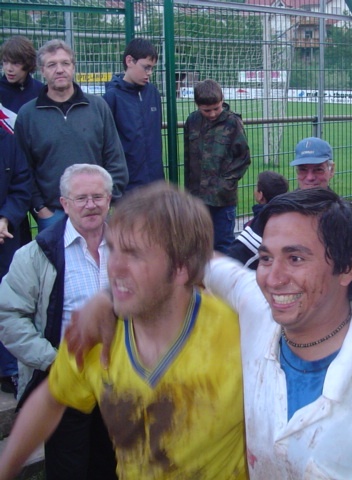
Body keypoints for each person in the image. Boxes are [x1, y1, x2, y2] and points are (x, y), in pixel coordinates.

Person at [65, 188, 352, 479]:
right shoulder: (257, 314)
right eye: (266, 258)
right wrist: (107, 299)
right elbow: (201, 263)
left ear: (347, 267)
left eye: (296, 258)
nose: (273, 277)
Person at [0, 182, 248, 480]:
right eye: (112, 249)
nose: (114, 267)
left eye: (134, 254)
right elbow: (51, 399)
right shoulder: (97, 334)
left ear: (181, 267)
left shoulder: (237, 333)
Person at [0, 164, 116, 479]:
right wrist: (53, 361)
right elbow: (8, 315)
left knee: (113, 465)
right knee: (68, 468)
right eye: (81, 198)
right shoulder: (36, 255)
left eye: (98, 197)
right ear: (64, 204)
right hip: (65, 380)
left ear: (109, 200)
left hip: (118, 381)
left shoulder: (127, 248)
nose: (91, 205)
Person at [227, 136, 352, 299]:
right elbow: (235, 260)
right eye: (303, 170)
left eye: (318, 170)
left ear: (331, 170)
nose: (310, 177)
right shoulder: (278, 212)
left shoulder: (346, 217)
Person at [14, 39, 128, 232]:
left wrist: (108, 199)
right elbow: (23, 169)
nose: (59, 70)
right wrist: (40, 208)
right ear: (42, 70)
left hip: (95, 210)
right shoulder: (28, 115)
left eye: (65, 63)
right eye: (52, 65)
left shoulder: (98, 107)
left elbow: (115, 159)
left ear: (73, 67)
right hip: (53, 215)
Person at [183, 79, 251, 253]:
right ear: (197, 105)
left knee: (223, 244)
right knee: (198, 243)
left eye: (216, 108)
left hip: (223, 200)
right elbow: (188, 159)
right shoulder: (192, 121)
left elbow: (243, 158)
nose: (212, 114)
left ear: (222, 100)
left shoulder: (232, 123)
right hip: (197, 198)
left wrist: (224, 184)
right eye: (206, 110)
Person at [103, 38, 164, 192]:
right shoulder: (112, 97)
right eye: (146, 67)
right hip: (127, 186)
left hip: (155, 182)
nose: (149, 73)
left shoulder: (153, 93)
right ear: (129, 61)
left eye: (152, 68)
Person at [0, 129, 32, 395]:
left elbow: (22, 185)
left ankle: (9, 369)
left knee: (7, 301)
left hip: (6, 235)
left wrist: (5, 218)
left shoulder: (8, 141)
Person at [0, 36, 44, 134]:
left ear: (28, 63)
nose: (9, 68)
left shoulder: (42, 91)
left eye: (15, 63)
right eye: (5, 62)